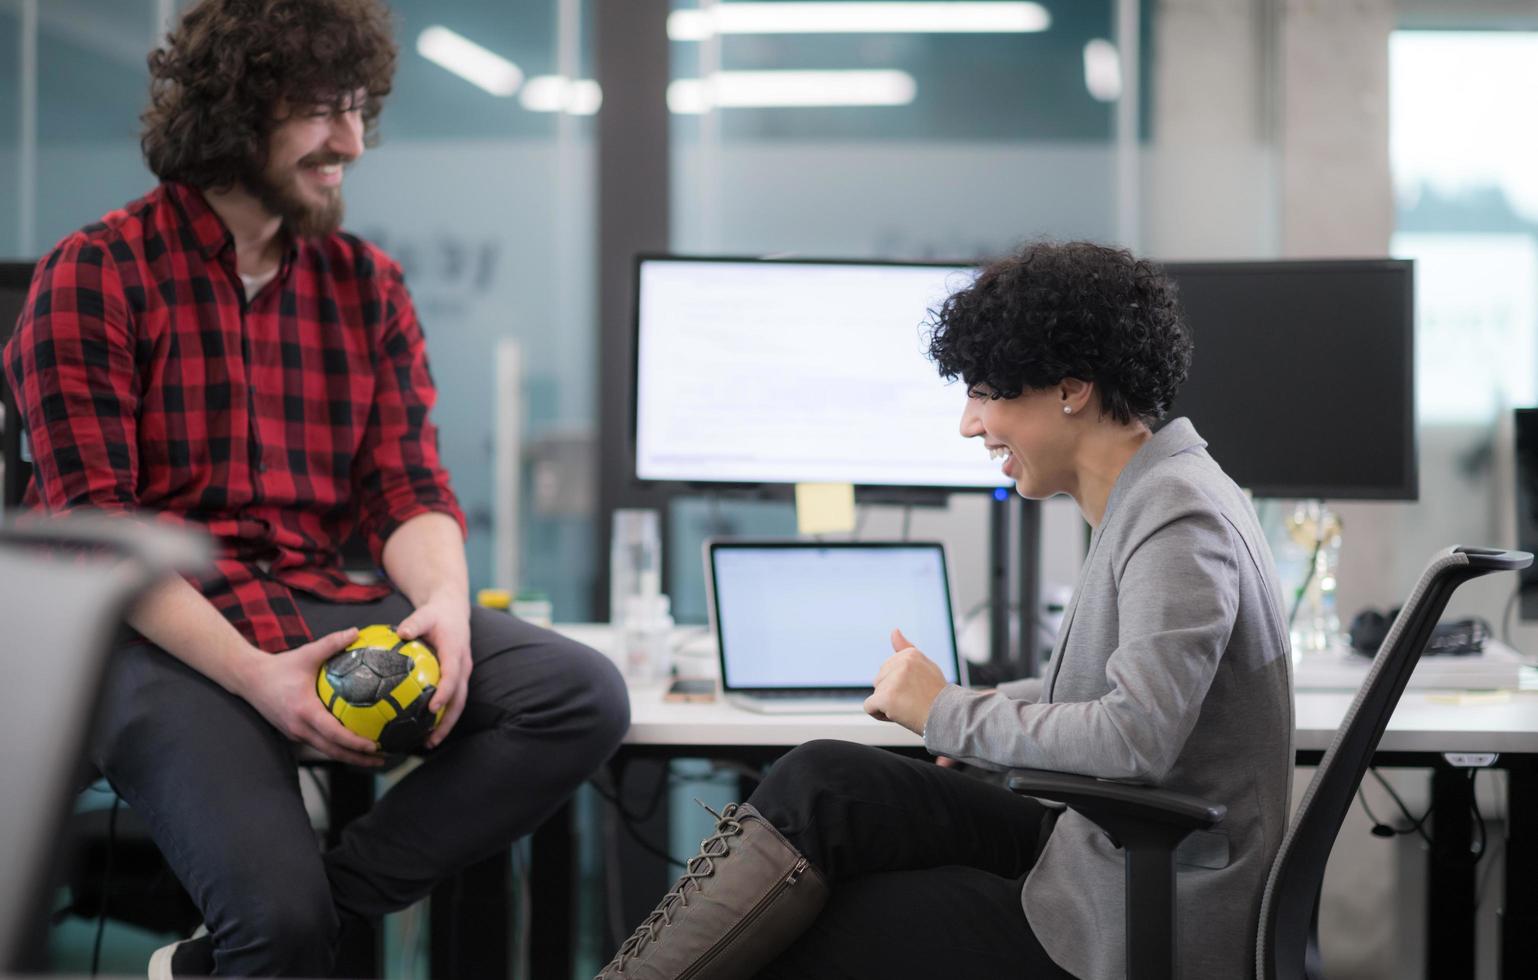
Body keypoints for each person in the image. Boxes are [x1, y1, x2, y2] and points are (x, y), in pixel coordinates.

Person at [1, 1, 629, 976]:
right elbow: (96, 531)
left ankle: (278, 927)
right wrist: (257, 676)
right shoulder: (96, 273)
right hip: (160, 627)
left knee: (574, 693)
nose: (352, 141)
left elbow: (407, 486)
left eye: (358, 109)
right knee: (279, 929)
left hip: (315, 594)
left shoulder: (364, 283)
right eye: (319, 112)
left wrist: (447, 610)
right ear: (230, 114)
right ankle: (281, 929)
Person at [597, 241, 1294, 980]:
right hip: (1098, 857)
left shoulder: (1175, 517)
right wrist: (979, 703)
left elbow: (1136, 739)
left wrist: (945, 712)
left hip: (1132, 913)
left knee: (808, 926)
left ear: (1071, 388)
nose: (970, 424)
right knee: (827, 781)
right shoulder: (1158, 492)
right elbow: (1124, 702)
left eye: (987, 393)